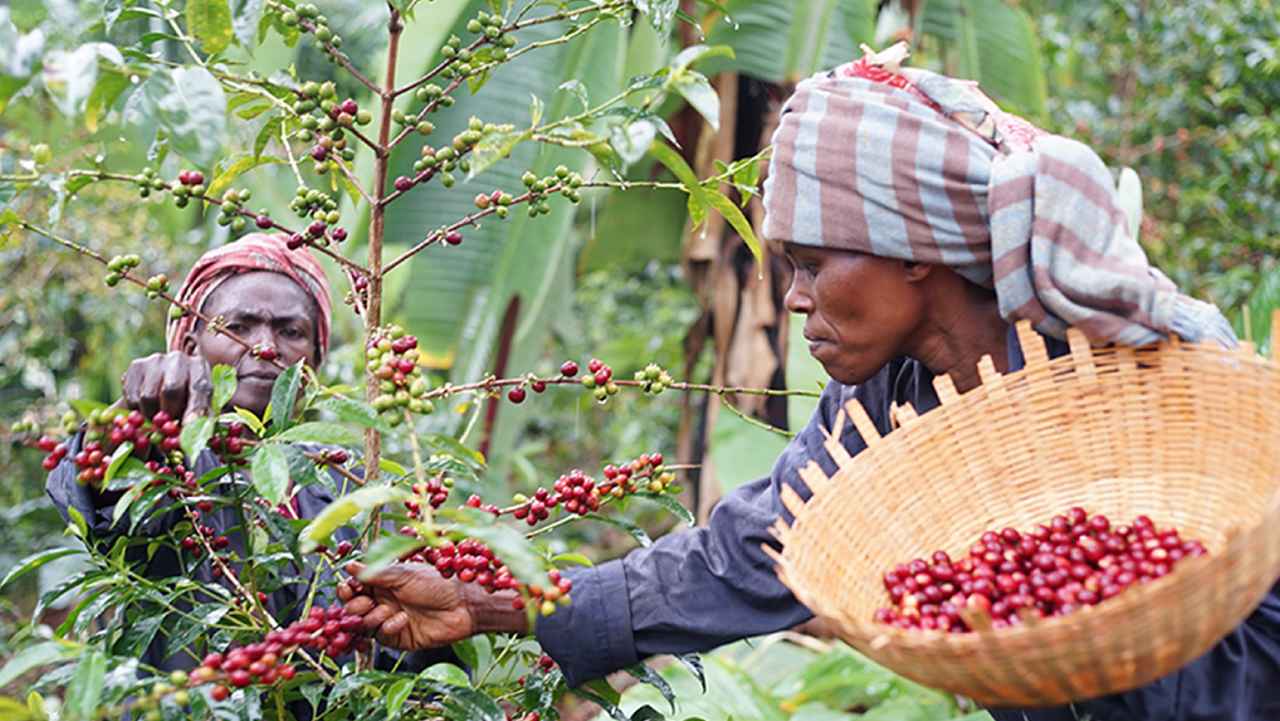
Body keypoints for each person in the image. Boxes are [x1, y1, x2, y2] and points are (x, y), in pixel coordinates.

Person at [335, 45, 1280, 721]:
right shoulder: (890, 398)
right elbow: (749, 554)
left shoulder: (1133, 372)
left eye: (813, 263)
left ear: (918, 256)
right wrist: (499, 607)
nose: (793, 301)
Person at [45, 233, 447, 675]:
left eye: (290, 331)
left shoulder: (349, 483)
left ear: (313, 359)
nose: (265, 347)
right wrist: (124, 426)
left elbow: (406, 649)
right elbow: (95, 487)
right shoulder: (170, 462)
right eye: (236, 327)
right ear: (188, 348)